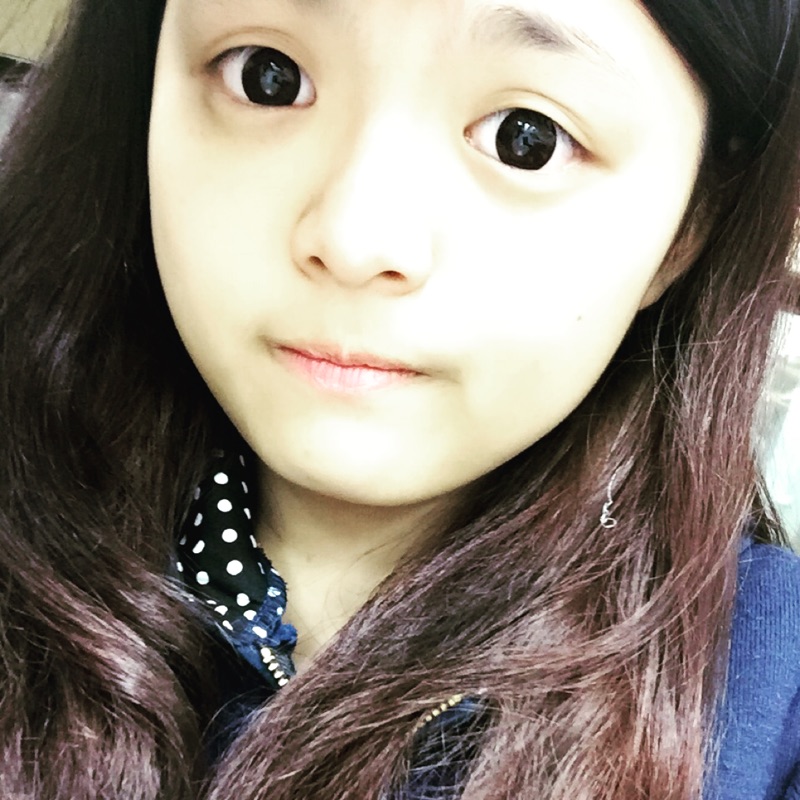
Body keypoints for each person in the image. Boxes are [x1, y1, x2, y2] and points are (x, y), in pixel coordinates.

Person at [0, 0, 798, 797]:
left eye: (526, 138)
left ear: (691, 222)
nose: (353, 240)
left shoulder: (769, 702)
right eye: (268, 78)